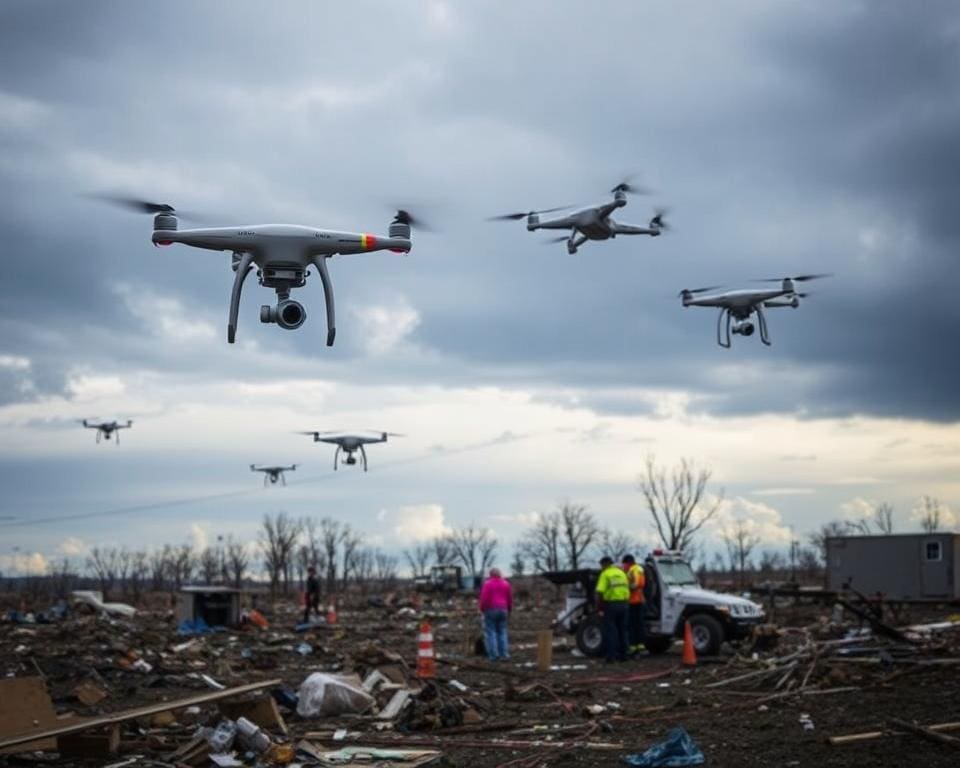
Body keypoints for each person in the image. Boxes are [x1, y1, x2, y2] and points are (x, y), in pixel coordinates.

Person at [596, 555, 630, 663]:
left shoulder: (605, 574)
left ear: (605, 564)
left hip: (611, 605)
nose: (601, 568)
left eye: (601, 565)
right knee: (622, 630)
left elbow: (600, 592)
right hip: (624, 605)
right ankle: (624, 656)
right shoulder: (622, 573)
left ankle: (611, 657)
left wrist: (600, 608)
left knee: (611, 631)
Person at [478, 567, 513, 661]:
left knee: (491, 632)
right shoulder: (506, 584)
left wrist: (482, 609)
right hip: (503, 609)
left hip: (491, 609)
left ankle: (494, 655)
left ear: (490, 575)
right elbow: (509, 598)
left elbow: (484, 599)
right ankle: (504, 654)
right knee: (502, 632)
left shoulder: (487, 584)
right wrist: (509, 609)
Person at [622, 554, 646, 654]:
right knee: (639, 624)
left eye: (625, 564)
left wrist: (627, 588)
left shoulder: (633, 570)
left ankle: (632, 646)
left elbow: (635, 584)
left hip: (633, 601)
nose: (624, 567)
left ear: (628, 562)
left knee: (631, 625)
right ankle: (640, 645)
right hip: (640, 600)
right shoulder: (640, 569)